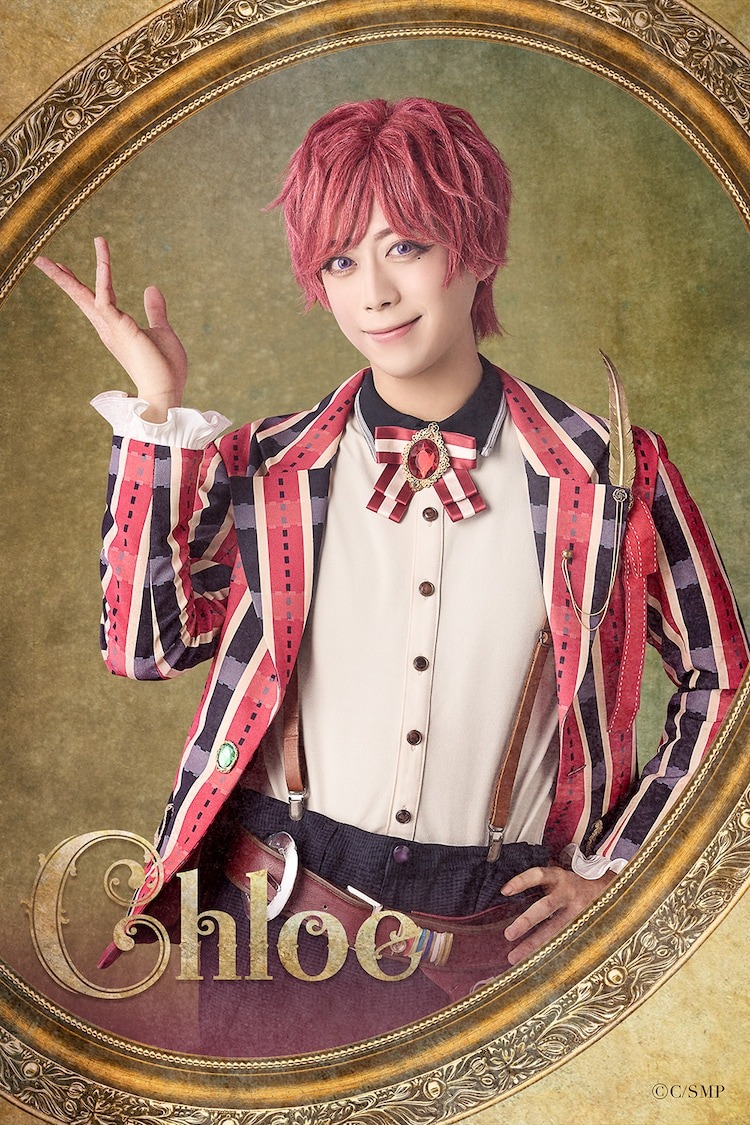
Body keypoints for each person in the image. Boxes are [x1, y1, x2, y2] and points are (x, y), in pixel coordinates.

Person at [36, 98, 747, 1055]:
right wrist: (158, 414)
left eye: (404, 246)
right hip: (274, 927)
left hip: (497, 941)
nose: (372, 291)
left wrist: (622, 868)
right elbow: (144, 645)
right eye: (339, 261)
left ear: (478, 245)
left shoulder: (608, 473)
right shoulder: (269, 466)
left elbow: (723, 678)